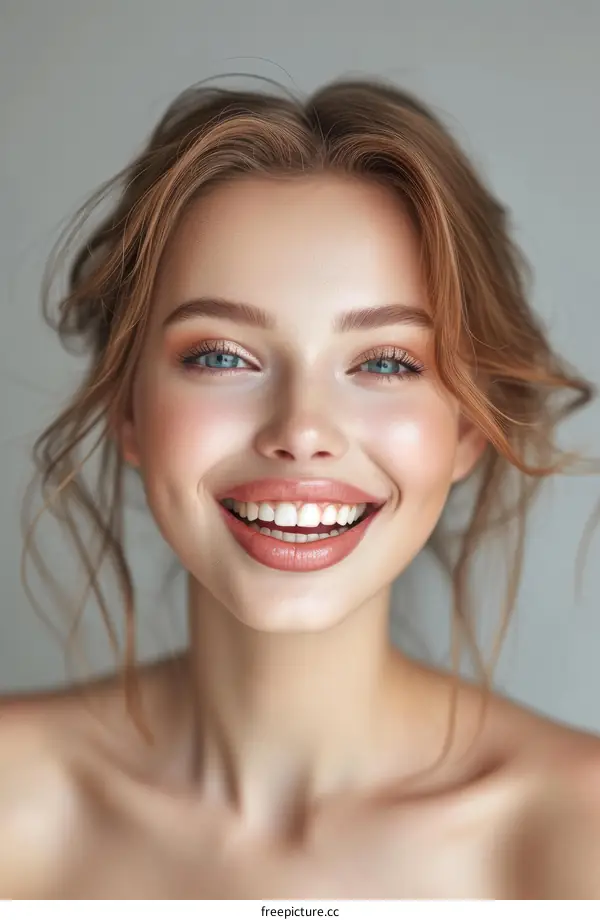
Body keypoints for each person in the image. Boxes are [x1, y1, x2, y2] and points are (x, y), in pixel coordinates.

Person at [1, 76, 600, 899]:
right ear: (126, 409)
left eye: (386, 362)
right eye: (222, 355)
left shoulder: (578, 834)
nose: (302, 429)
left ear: (469, 428)